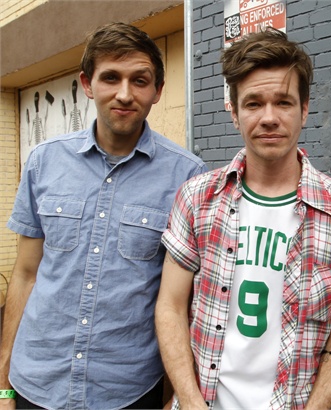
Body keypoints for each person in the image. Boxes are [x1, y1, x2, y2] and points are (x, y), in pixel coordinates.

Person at [155, 28, 331, 410]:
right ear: (234, 112)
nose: (269, 118)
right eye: (254, 103)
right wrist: (190, 402)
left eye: (283, 102)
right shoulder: (197, 199)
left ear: (304, 109)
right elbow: (170, 307)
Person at [0, 22, 207, 409]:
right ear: (87, 84)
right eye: (111, 77)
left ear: (158, 90)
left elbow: (185, 300)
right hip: (36, 381)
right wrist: (3, 385)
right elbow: (26, 274)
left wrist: (177, 394)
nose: (125, 94)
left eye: (140, 80)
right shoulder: (44, 161)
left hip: (128, 390)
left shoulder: (188, 176)